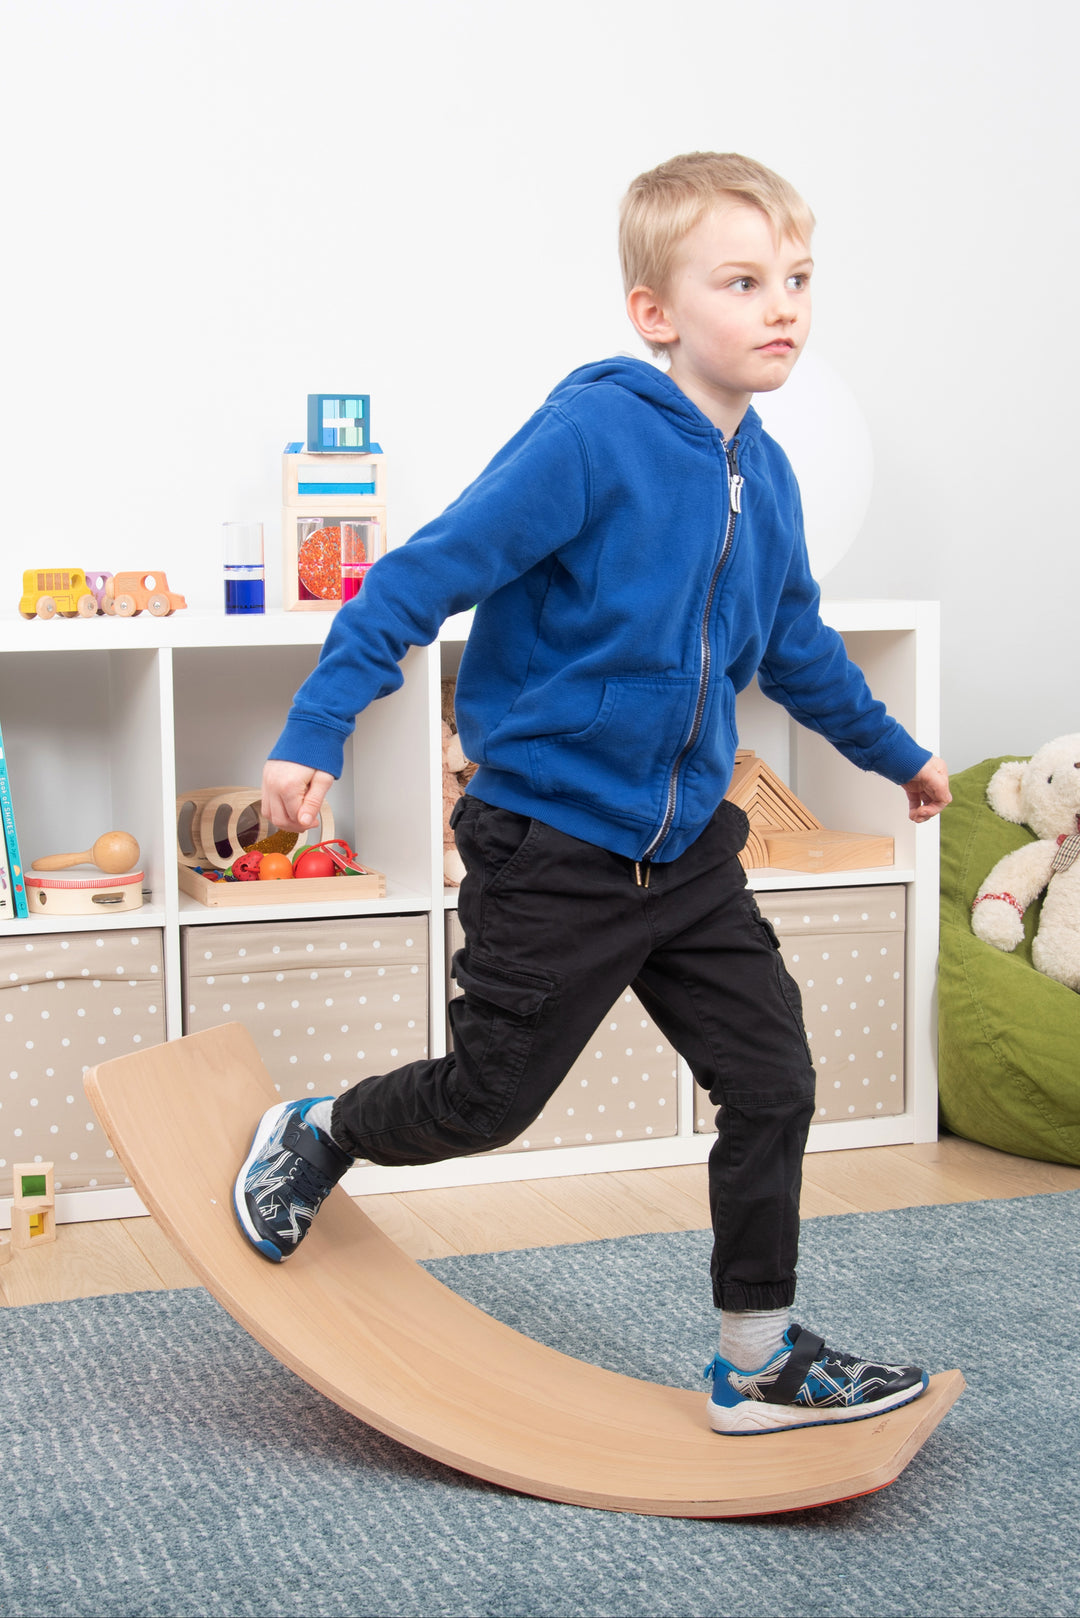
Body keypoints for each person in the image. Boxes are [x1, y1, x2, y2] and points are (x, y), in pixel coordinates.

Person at [234, 151, 951, 1436]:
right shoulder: (593, 436)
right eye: (743, 281)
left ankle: (756, 1357)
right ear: (655, 312)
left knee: (773, 1079)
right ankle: (319, 1129)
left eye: (796, 278)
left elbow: (795, 646)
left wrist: (897, 754)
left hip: (686, 857)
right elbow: (416, 578)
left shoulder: (768, 475)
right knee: (485, 1104)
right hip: (554, 846)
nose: (782, 306)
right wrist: (317, 728)